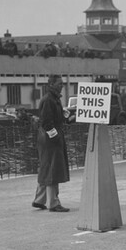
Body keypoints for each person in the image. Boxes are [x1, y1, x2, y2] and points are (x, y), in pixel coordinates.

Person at [33, 74, 71, 212]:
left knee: (46, 168)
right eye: (59, 84)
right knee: (53, 170)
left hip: (45, 139)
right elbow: (47, 123)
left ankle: (39, 200)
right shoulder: (49, 100)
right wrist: (56, 138)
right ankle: (53, 203)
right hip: (50, 140)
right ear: (51, 85)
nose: (62, 86)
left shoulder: (51, 99)